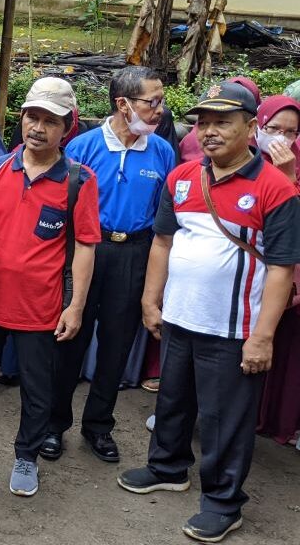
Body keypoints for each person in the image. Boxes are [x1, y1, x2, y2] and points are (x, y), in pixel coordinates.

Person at [119, 82, 300, 543]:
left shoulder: (275, 189)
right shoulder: (182, 178)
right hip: (180, 317)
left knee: (225, 419)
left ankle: (223, 502)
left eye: (224, 122)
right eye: (204, 123)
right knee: (172, 400)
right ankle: (167, 467)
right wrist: (150, 299)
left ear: (251, 127)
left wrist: (262, 335)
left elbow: (281, 269)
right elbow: (163, 241)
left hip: (234, 328)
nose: (211, 131)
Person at [0, 77, 100, 497]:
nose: (38, 127)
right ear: (21, 119)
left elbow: (85, 247)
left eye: (50, 121)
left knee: (38, 387)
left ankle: (26, 456)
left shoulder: (78, 181)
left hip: (41, 307)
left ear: (67, 127)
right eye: (32, 117)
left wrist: (75, 307)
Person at [45, 67, 176, 463]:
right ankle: (54, 425)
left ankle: (98, 426)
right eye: (151, 102)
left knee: (117, 346)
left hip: (134, 254)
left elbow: (163, 223)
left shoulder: (162, 151)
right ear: (123, 105)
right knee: (71, 337)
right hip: (87, 252)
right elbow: (62, 208)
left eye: (161, 101)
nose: (160, 110)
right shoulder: (83, 148)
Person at [255, 95, 300, 447]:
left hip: (286, 276)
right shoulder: (241, 160)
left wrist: (288, 179)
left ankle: (274, 420)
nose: (282, 139)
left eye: (291, 132)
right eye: (274, 129)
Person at [180, 76, 260, 163]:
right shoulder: (180, 174)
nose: (209, 132)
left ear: (251, 127)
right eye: (202, 123)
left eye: (221, 122)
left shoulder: (272, 175)